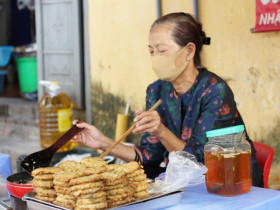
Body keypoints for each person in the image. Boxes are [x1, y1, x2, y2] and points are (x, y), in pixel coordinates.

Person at [72, 12, 263, 187]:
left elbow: (200, 162)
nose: (155, 58)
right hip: (186, 184)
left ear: (189, 51)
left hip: (230, 183)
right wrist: (103, 142)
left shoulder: (214, 91)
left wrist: (161, 131)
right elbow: (150, 156)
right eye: (151, 51)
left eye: (162, 50)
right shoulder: (156, 91)